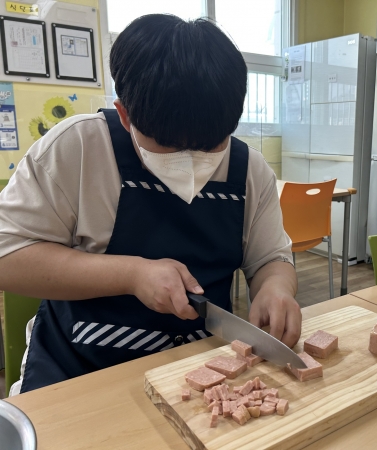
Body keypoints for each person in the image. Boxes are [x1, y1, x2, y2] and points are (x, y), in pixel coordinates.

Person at [0, 14, 301, 395]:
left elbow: (271, 258)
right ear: (125, 115)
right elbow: (7, 258)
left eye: (210, 145)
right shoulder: (75, 148)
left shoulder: (250, 170)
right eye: (168, 145)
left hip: (199, 371)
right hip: (76, 369)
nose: (190, 160)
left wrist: (276, 288)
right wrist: (131, 274)